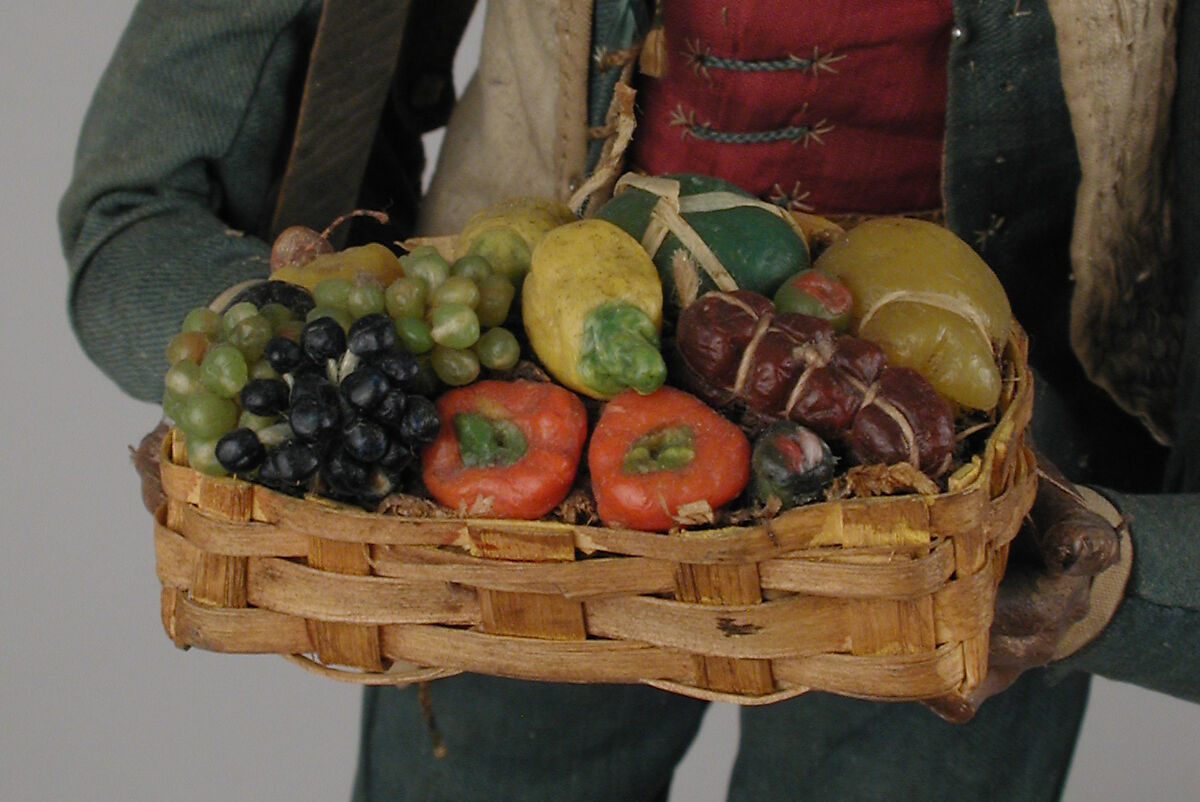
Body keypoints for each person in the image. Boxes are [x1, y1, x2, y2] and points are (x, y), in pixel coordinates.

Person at [60, 1, 1198, 800]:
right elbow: (139, 206)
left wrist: (1111, 574)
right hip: (516, 488)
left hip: (967, 498)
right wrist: (289, 374)